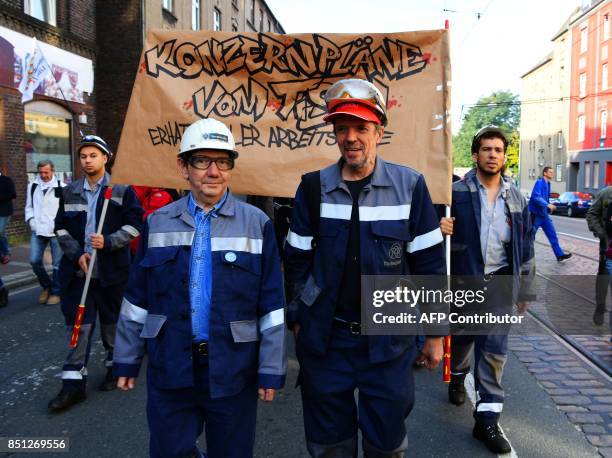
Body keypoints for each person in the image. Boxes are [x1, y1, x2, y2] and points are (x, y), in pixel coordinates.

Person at [284, 78, 445, 457]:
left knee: (385, 444)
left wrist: (436, 333)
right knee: (329, 445)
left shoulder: (410, 186)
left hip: (389, 343)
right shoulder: (312, 188)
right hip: (327, 343)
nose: (351, 137)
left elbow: (430, 264)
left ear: (379, 131)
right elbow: (295, 260)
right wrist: (298, 316)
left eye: (361, 127)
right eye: (342, 129)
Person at [113, 118, 286, 458]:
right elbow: (137, 298)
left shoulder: (257, 224)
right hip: (171, 366)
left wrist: (270, 367)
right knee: (169, 452)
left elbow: (272, 305)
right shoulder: (157, 222)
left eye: (222, 161)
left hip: (233, 369)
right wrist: (126, 359)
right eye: (202, 161)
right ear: (183, 167)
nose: (213, 171)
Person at [440, 126, 535, 454]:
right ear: (475, 154)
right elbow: (426, 234)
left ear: (504, 155)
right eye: (487, 149)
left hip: (499, 281)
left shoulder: (516, 197)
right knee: (464, 338)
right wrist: (440, 228)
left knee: (494, 353)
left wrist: (525, 289)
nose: (493, 155)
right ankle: (457, 374)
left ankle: (487, 421)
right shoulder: (455, 193)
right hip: (464, 283)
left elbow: (526, 245)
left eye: (498, 150)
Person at [48, 135, 143, 412]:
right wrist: (77, 254)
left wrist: (110, 241)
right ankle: (73, 384)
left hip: (112, 272)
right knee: (80, 325)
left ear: (105, 158)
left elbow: (136, 224)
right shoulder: (69, 191)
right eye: (83, 156)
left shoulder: (122, 190)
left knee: (112, 322)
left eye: (93, 155)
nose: (87, 160)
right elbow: (61, 227)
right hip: (79, 274)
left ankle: (115, 366)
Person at [25, 160, 64, 305]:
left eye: (46, 172)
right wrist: (32, 221)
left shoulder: (62, 187)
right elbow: (28, 207)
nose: (43, 175)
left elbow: (65, 210)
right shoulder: (33, 186)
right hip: (38, 229)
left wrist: (61, 226)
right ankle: (47, 287)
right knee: (34, 261)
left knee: (57, 264)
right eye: (40, 172)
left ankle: (56, 292)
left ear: (52, 171)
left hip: (56, 231)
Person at [528, 166, 571, 262]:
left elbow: (544, 199)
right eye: (550, 172)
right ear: (545, 173)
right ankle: (525, 256)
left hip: (544, 215)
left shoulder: (548, 184)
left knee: (552, 235)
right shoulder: (539, 183)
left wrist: (549, 208)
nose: (552, 174)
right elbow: (535, 197)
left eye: (552, 172)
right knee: (530, 236)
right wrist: (547, 205)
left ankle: (559, 255)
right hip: (536, 214)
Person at [586, 185, 612, 326]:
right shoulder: (606, 193)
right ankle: (600, 306)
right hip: (608, 245)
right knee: (603, 276)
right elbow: (591, 214)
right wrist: (601, 234)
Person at [0, 171, 16, 264]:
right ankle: (3, 253)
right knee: (2, 233)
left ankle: (6, 253)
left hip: (4, 212)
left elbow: (13, 194)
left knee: (0, 232)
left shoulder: (7, 180)